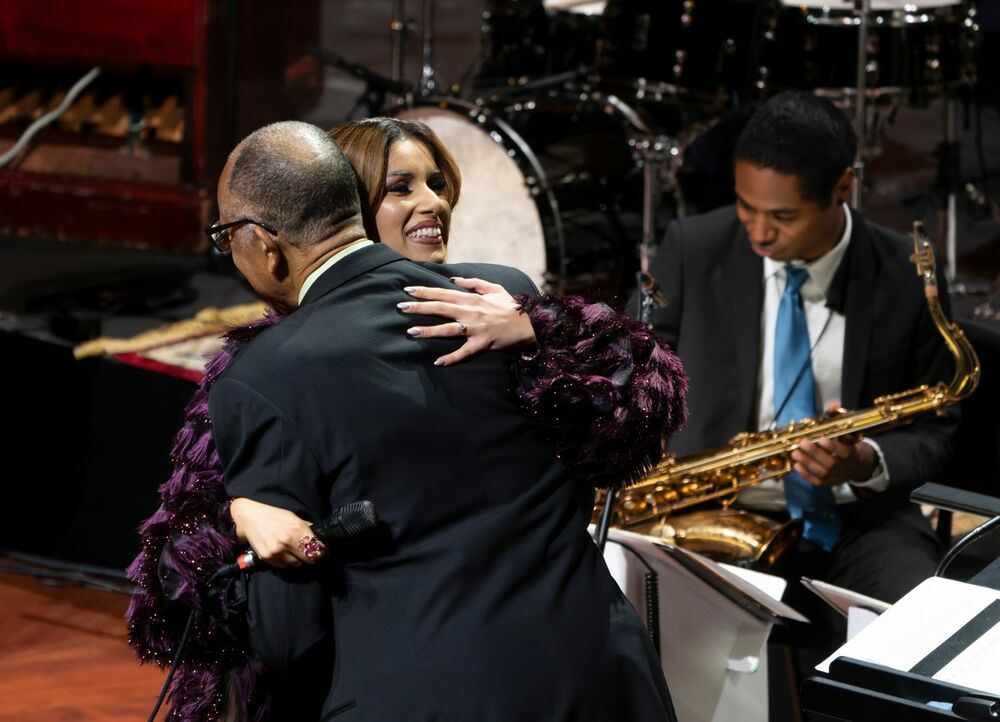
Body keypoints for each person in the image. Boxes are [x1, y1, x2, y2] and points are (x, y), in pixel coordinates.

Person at [127, 120, 687, 721]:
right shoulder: (499, 297)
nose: (433, 203)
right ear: (352, 205)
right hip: (599, 676)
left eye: (436, 183)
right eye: (402, 187)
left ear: (263, 241)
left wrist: (542, 331)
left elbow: (288, 634)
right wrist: (235, 512)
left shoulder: (268, 377)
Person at [642, 90, 958, 606]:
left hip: (857, 520)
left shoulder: (907, 273)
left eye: (783, 217)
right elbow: (638, 373)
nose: (760, 233)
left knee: (921, 631)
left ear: (842, 188)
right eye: (747, 207)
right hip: (705, 516)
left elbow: (937, 433)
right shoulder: (693, 247)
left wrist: (863, 460)